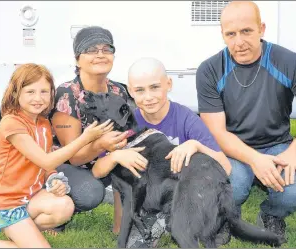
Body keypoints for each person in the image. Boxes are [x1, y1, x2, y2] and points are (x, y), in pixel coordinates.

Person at [196, 1, 296, 237]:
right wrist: (254, 159)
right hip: (234, 147)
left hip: (277, 145)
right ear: (222, 35)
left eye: (246, 31)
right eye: (230, 34)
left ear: (261, 29)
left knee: (294, 191)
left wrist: (295, 151)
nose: (239, 42)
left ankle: (271, 214)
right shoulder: (209, 70)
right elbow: (217, 133)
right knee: (235, 187)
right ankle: (226, 215)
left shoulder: (286, 61)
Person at [0, 63, 112, 248]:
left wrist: (53, 179)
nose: (38, 98)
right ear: (16, 93)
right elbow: (46, 160)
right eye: (30, 92)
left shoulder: (42, 123)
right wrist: (85, 138)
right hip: (8, 205)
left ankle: (14, 230)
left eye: (44, 92)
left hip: (31, 199)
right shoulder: (11, 123)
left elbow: (46, 165)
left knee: (65, 206)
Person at [94, 57, 232, 247]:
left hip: (183, 192)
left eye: (155, 87)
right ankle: (158, 222)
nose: (148, 96)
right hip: (149, 196)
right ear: (131, 91)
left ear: (169, 84)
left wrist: (196, 145)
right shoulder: (126, 122)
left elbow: (225, 167)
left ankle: (213, 221)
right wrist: (115, 155)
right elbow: (97, 171)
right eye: (140, 90)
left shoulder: (185, 118)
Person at [49, 26, 147, 235]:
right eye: (92, 50)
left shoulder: (118, 90)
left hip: (105, 160)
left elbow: (129, 130)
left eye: (106, 49)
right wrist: (102, 144)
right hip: (66, 167)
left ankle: (121, 227)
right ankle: (55, 209)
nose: (100, 55)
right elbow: (72, 157)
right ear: (77, 59)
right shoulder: (67, 94)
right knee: (89, 193)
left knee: (134, 166)